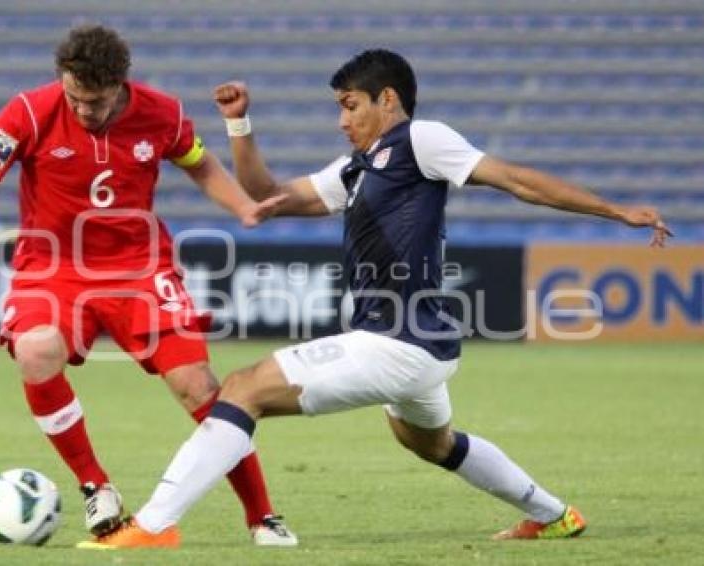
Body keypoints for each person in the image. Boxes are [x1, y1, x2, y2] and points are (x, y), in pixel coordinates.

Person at [76, 48, 674, 549]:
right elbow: (266, 193)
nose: (342, 119)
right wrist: (239, 124)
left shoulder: (421, 139)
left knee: (243, 388)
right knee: (430, 442)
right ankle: (554, 515)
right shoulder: (359, 168)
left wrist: (613, 210)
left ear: (388, 100)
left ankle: (153, 525)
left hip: (397, 339)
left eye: (350, 105)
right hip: (420, 346)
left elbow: (515, 178)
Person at [0, 25, 297, 546]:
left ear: (121, 85)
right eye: (75, 98)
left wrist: (242, 206)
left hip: (139, 267)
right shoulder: (31, 112)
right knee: (35, 351)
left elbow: (200, 163)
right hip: (53, 267)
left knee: (197, 385)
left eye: (97, 101)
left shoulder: (162, 113)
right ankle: (95, 487)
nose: (85, 111)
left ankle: (262, 515)